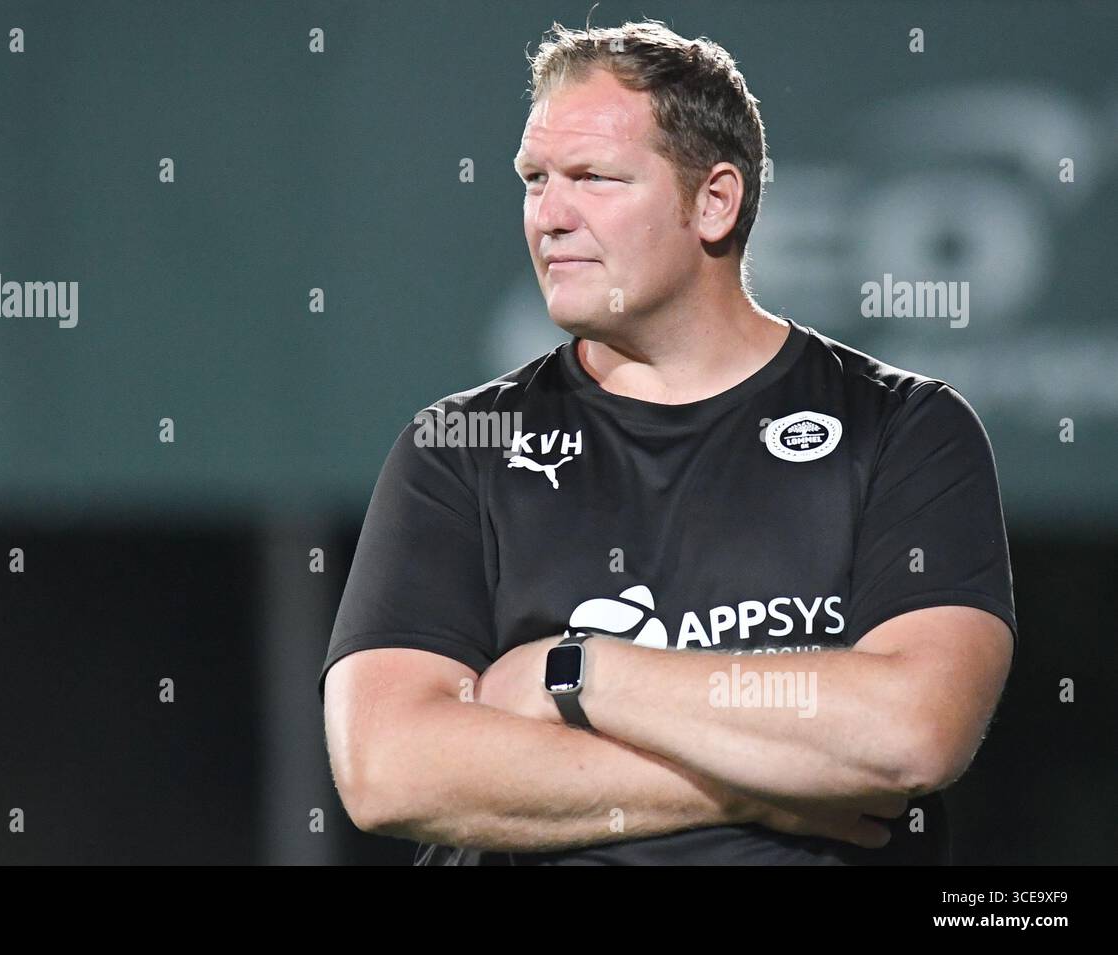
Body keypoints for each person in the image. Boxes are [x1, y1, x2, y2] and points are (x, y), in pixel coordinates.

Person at [318, 20, 1016, 865]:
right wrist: (767, 784)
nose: (549, 217)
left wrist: (571, 673)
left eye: (593, 179)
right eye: (535, 180)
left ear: (714, 202)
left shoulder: (905, 429)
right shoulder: (461, 446)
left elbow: (913, 731)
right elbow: (388, 768)